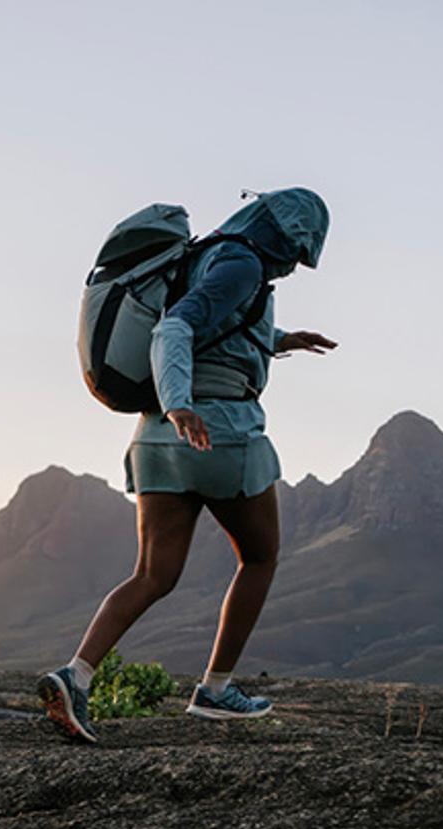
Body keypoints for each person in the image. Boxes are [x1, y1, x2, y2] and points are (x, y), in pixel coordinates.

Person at [40, 188, 334, 743]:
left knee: (153, 575)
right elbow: (176, 328)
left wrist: (279, 339)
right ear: (278, 233)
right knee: (261, 557)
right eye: (295, 251)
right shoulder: (244, 262)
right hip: (217, 432)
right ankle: (217, 690)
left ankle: (74, 677)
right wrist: (183, 404)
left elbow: (211, 322)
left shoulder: (203, 256)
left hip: (155, 440)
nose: (293, 265)